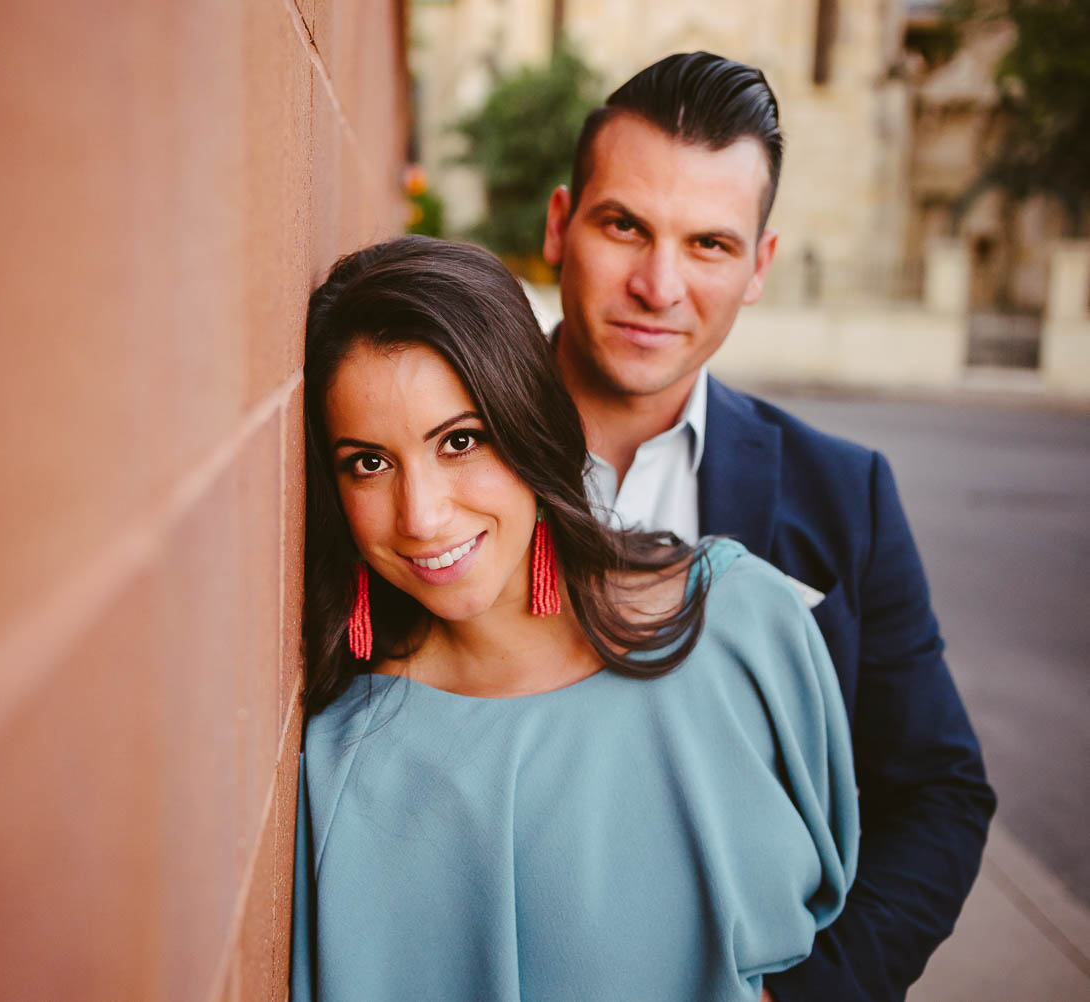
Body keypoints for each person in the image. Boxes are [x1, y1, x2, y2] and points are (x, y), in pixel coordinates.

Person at [291, 235, 857, 1002]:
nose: (420, 516)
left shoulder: (742, 627)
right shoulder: (338, 763)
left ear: (529, 423)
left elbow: (824, 929)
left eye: (460, 442)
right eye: (369, 462)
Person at [541, 52, 996, 1001]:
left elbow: (939, 795)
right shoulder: (445, 461)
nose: (658, 285)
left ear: (760, 266)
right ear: (559, 225)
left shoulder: (845, 494)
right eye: (625, 225)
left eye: (709, 244)